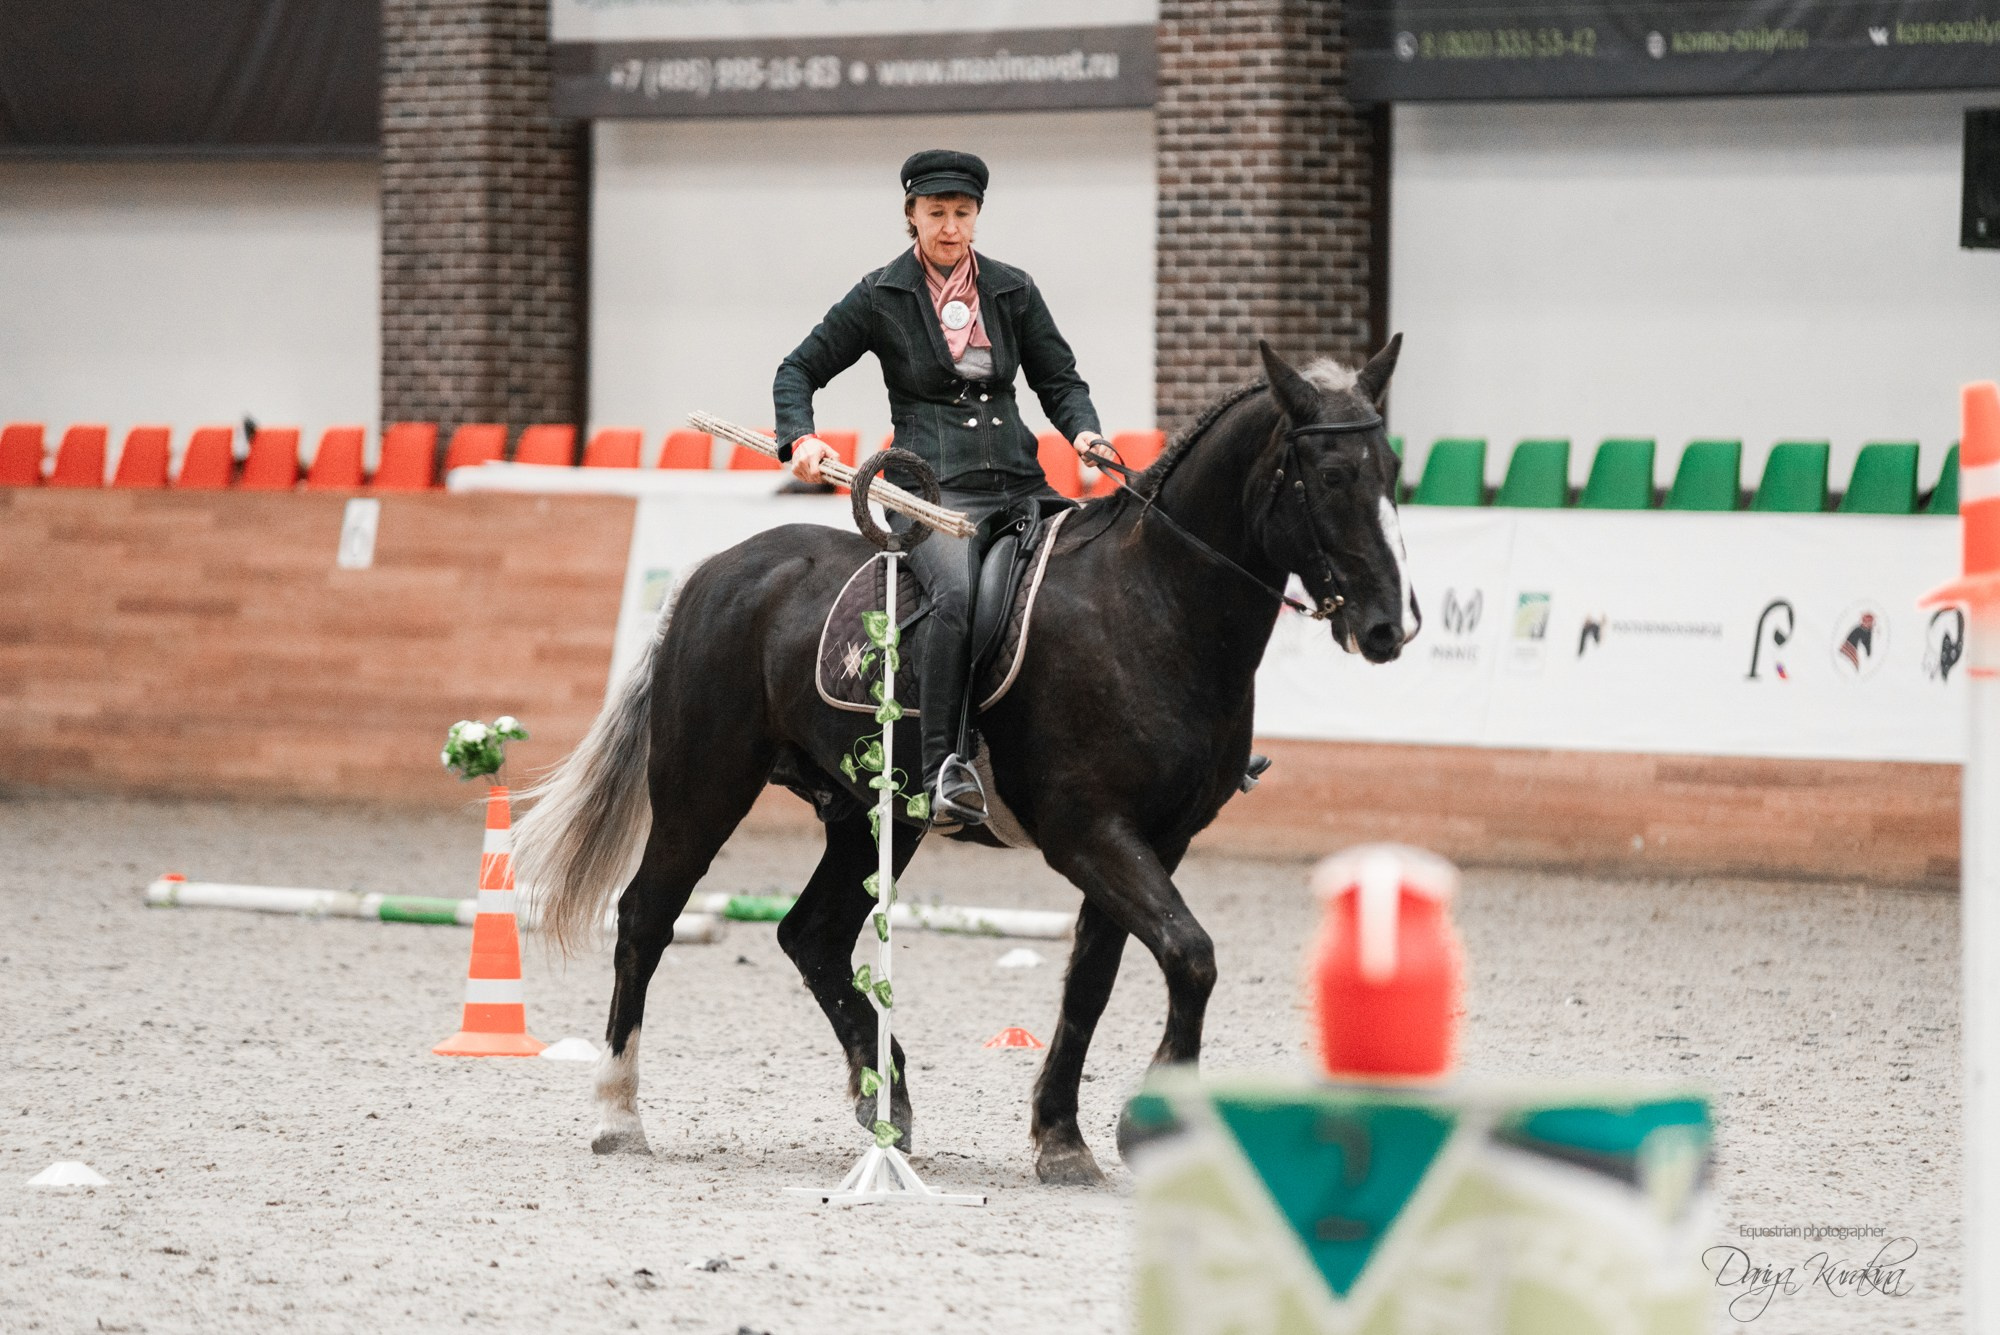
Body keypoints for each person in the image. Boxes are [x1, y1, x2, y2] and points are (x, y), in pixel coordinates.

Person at [774, 149, 1112, 828]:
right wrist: (800, 438)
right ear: (912, 216)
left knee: (1104, 570)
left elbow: (1060, 381)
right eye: (937, 213)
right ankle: (943, 770)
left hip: (1022, 483)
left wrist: (1085, 432)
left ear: (977, 217)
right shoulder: (880, 294)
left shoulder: (1013, 289)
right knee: (954, 598)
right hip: (930, 491)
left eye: (963, 213)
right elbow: (798, 369)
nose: (951, 226)